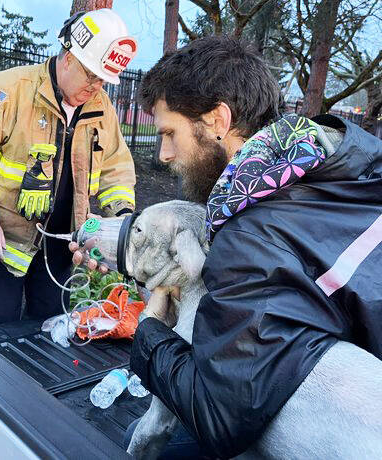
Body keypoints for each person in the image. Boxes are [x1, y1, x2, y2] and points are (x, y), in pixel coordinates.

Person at [73, 35, 382, 458]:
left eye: (169, 133)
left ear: (218, 120)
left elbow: (218, 416)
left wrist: (150, 333)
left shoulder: (250, 241)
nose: (163, 154)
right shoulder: (348, 165)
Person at [0, 9, 137, 328]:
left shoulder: (101, 107)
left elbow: (116, 168)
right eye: (91, 75)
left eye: (103, 79)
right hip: (3, 235)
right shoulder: (8, 90)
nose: (95, 87)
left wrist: (120, 220)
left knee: (50, 325)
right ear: (68, 57)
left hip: (63, 240)